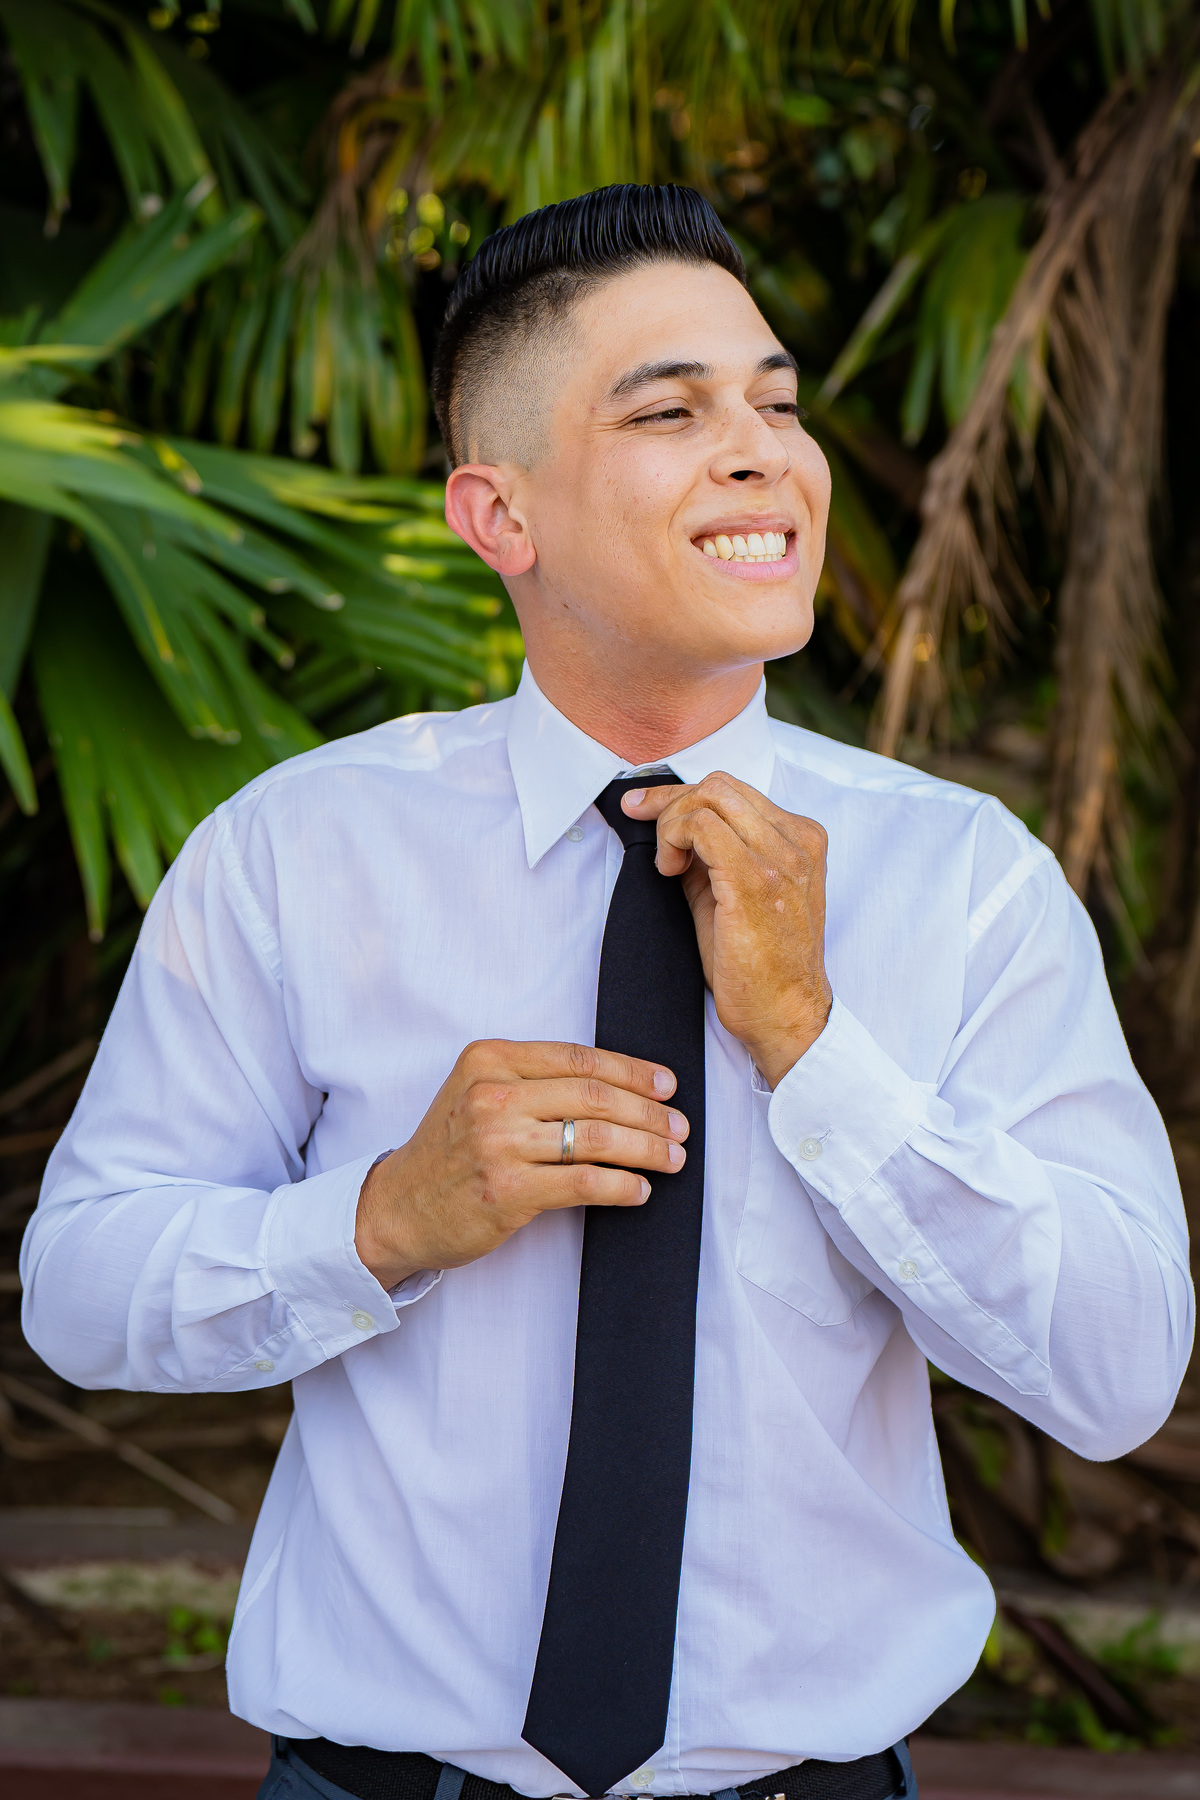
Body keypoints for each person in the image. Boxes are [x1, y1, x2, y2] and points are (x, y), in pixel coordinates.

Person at [21, 185, 1191, 1800]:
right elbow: (81, 1291)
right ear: (500, 515)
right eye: (670, 411)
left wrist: (815, 1051)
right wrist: (383, 1218)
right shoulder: (296, 854)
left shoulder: (967, 880)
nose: (762, 454)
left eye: (777, 404)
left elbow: (1118, 1374)